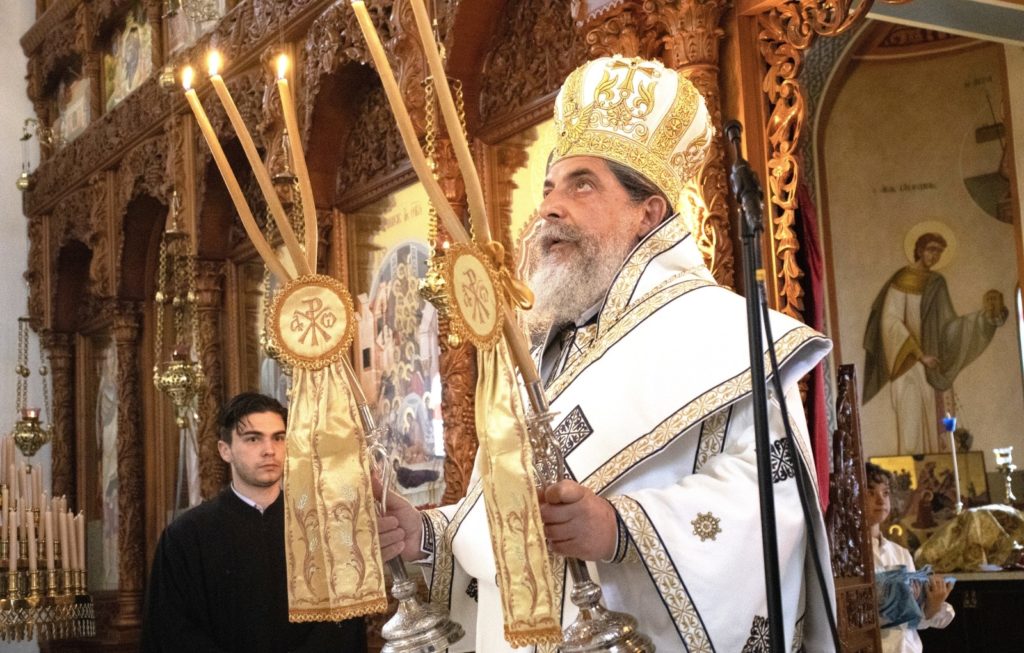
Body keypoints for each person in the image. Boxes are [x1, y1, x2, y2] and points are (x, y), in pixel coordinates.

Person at [375, 55, 837, 651]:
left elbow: (772, 504)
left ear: (649, 212)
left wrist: (622, 530)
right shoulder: (545, 349)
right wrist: (428, 538)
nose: (550, 207)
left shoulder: (727, 338)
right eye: (548, 188)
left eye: (582, 184)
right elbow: (505, 525)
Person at [141, 392, 366, 652]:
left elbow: (344, 619)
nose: (269, 450)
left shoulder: (323, 529)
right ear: (225, 450)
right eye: (253, 439)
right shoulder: (186, 537)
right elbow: (172, 629)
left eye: (278, 438)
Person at [863, 232, 1007, 454]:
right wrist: (920, 355)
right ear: (919, 250)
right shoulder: (901, 280)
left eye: (939, 252)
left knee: (933, 426)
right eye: (931, 250)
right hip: (907, 363)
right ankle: (909, 480)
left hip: (932, 367)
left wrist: (983, 319)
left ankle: (936, 476)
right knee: (910, 424)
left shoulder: (937, 283)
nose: (935, 256)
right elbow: (890, 321)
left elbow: (949, 328)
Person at [865, 462, 954, 652]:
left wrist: (932, 605)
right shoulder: (846, 555)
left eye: (885, 493)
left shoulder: (900, 553)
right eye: (871, 493)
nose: (881, 501)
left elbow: (914, 619)